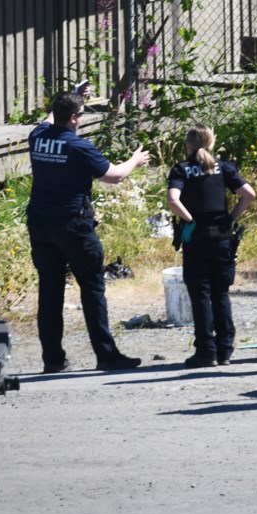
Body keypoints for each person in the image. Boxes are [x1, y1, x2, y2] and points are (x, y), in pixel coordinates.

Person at [26, 91, 150, 374]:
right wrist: (135, 160)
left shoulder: (38, 136)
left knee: (50, 291)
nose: (81, 119)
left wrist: (73, 98)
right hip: (72, 225)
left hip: (40, 224)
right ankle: (106, 356)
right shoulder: (78, 146)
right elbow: (114, 176)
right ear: (74, 118)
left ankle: (53, 360)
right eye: (81, 114)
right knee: (92, 289)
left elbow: (50, 118)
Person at [168, 124, 256, 368]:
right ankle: (225, 349)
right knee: (221, 293)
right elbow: (249, 194)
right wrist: (231, 218)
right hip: (223, 238)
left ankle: (206, 351)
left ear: (188, 145)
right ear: (211, 143)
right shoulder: (224, 167)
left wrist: (190, 221)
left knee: (201, 295)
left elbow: (173, 200)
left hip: (197, 239)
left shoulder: (182, 169)